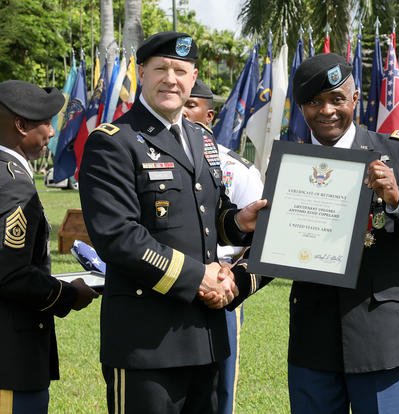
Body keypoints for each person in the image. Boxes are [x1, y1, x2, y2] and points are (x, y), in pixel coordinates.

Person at [78, 32, 265, 414]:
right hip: (146, 341)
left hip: (207, 336)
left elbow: (208, 217)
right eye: (160, 69)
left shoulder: (201, 138)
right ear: (141, 72)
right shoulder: (113, 142)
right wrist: (198, 278)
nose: (171, 79)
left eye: (180, 71)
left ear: (193, 77)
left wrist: (239, 221)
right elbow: (118, 237)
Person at [286, 53, 399, 413]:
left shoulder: (394, 150)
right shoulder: (291, 164)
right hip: (313, 333)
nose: (327, 110)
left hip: (378, 332)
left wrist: (398, 197)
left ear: (355, 99)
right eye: (314, 102)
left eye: (337, 99)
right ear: (301, 107)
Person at [0, 80, 99, 413]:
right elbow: (11, 273)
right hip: (11, 362)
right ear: (21, 125)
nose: (53, 133)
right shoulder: (13, 184)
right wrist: (68, 294)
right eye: (46, 123)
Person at [183, 79, 264, 414]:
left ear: (210, 115)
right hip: (170, 280)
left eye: (191, 105)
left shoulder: (236, 170)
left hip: (222, 287)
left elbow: (256, 233)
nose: (183, 112)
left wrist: (232, 279)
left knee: (218, 392)